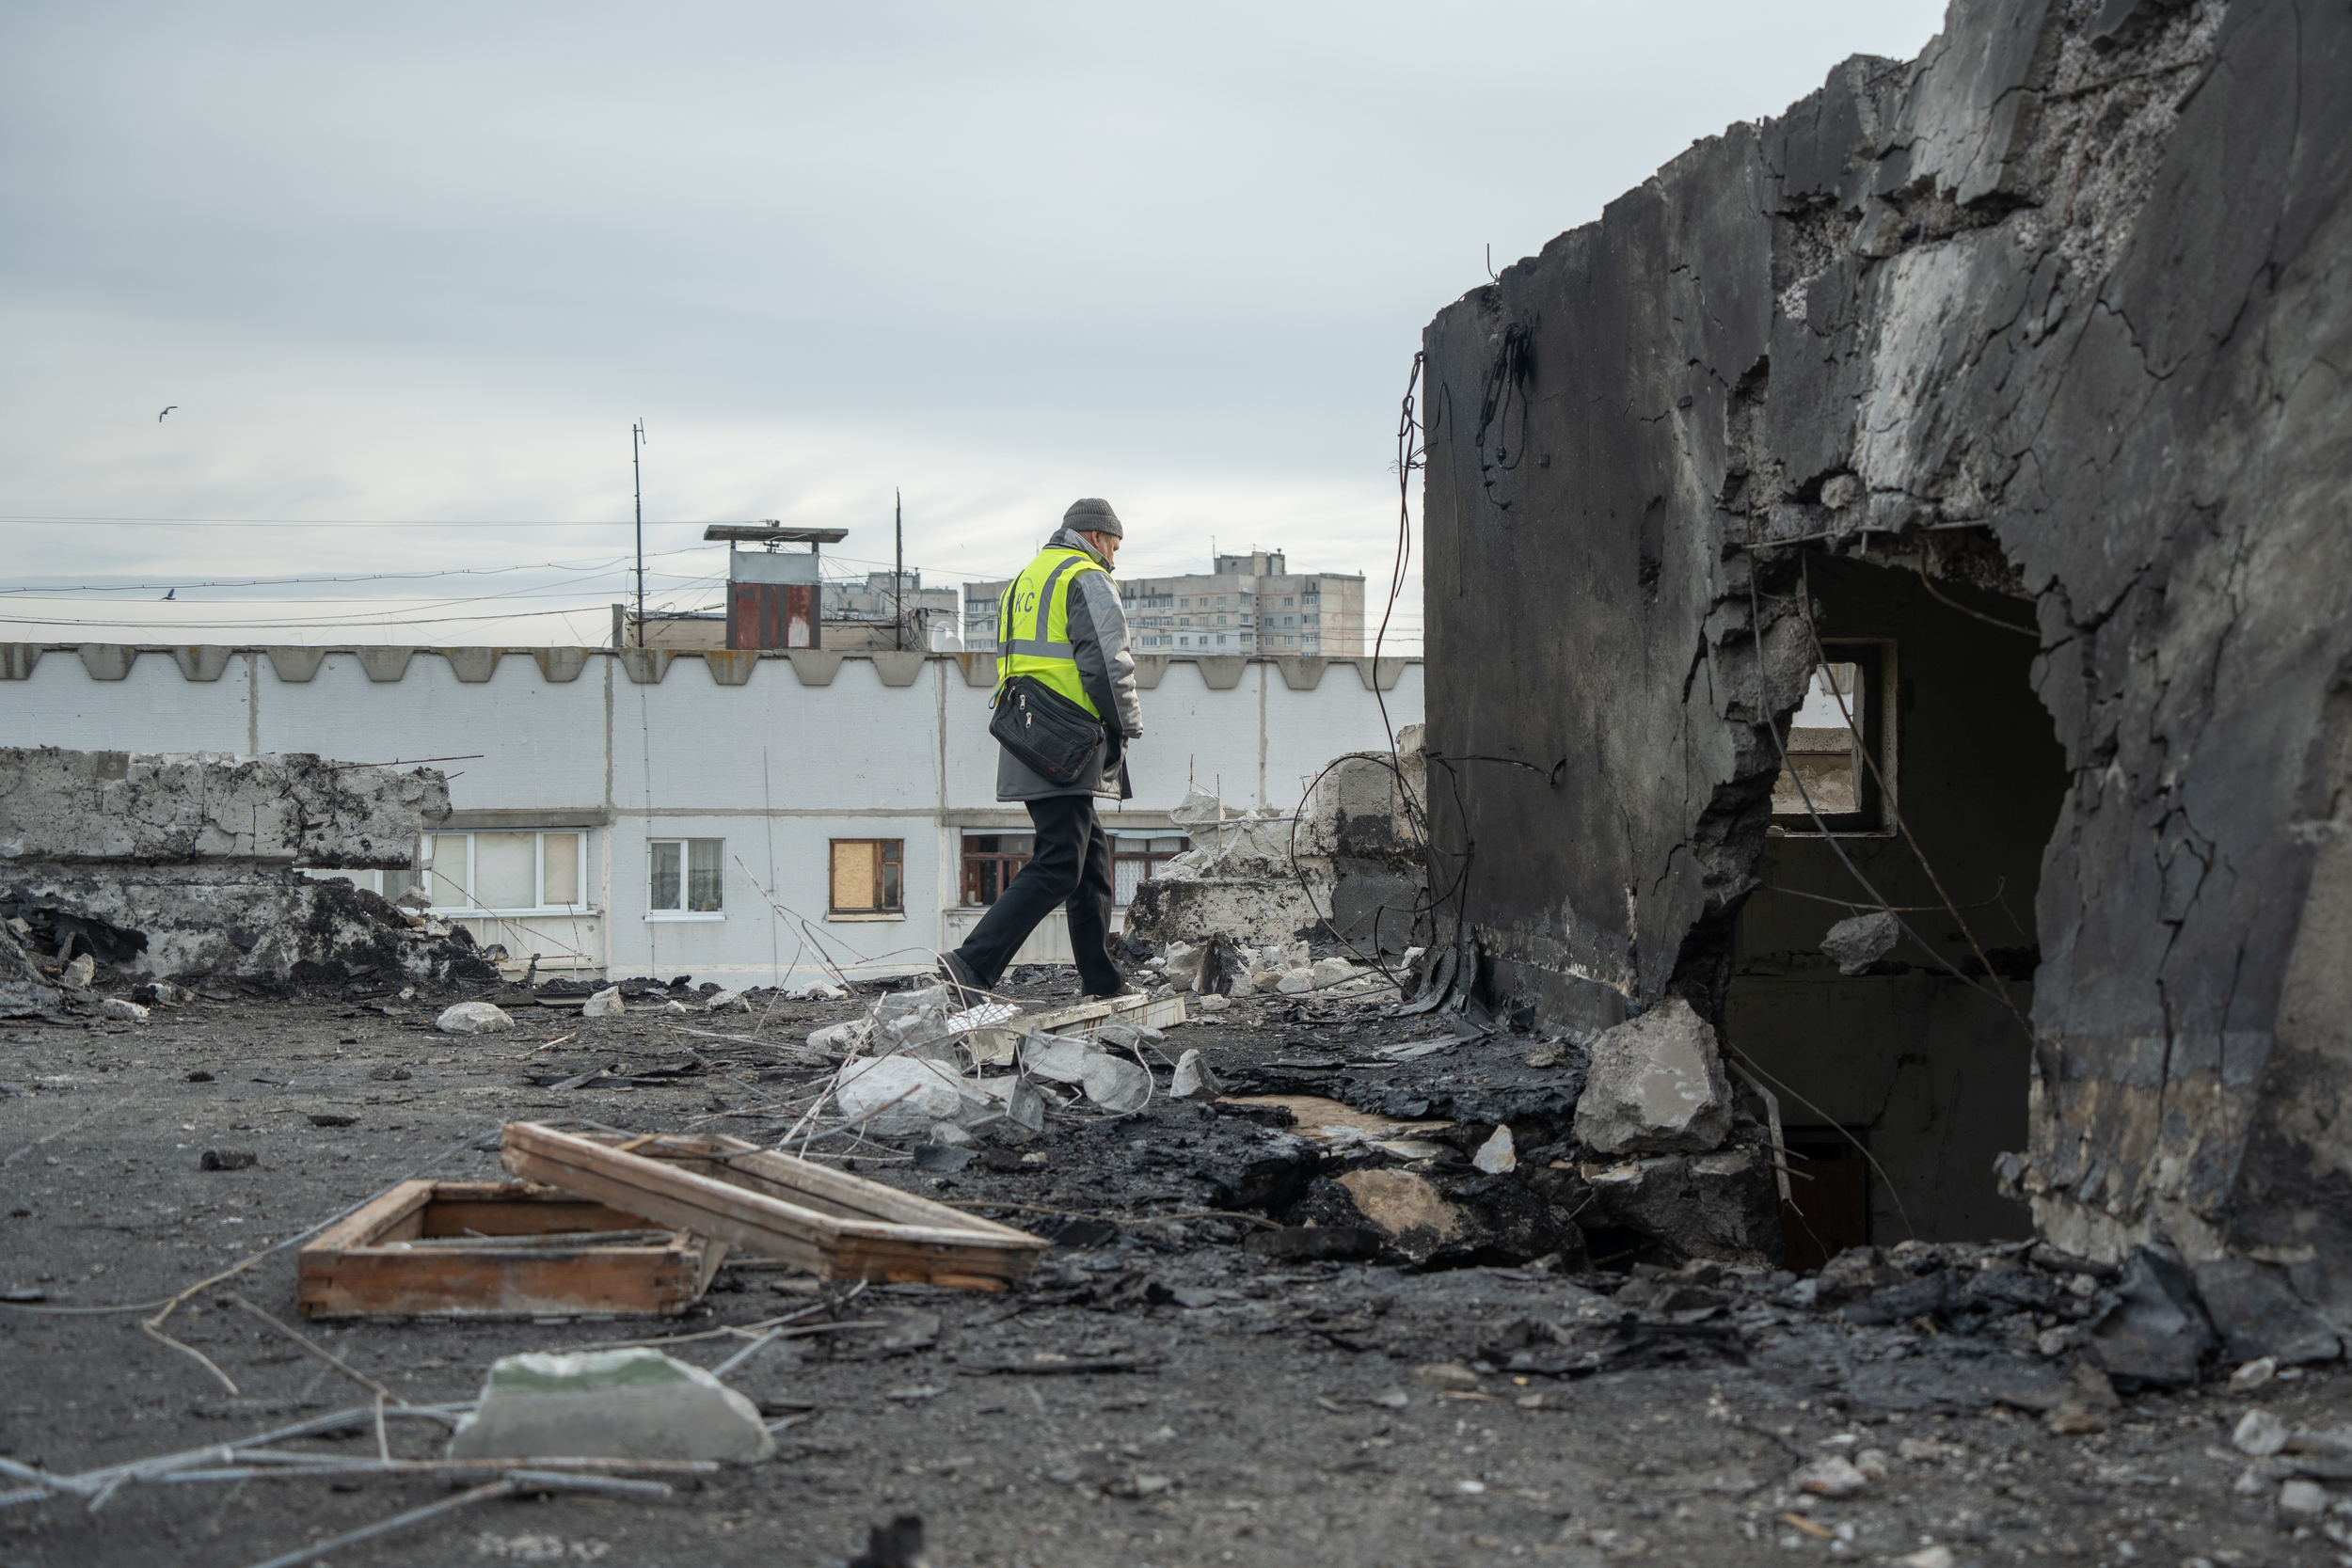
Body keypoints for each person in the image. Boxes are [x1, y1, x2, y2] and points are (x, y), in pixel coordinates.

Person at [941, 498, 1143, 1000]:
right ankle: (970, 964)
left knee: (1089, 861)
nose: (1114, 559)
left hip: (1027, 732)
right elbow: (1106, 663)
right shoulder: (1085, 575)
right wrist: (1126, 727)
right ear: (1096, 537)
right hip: (1067, 741)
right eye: (1113, 547)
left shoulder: (1026, 578)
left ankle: (1102, 978)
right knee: (1060, 861)